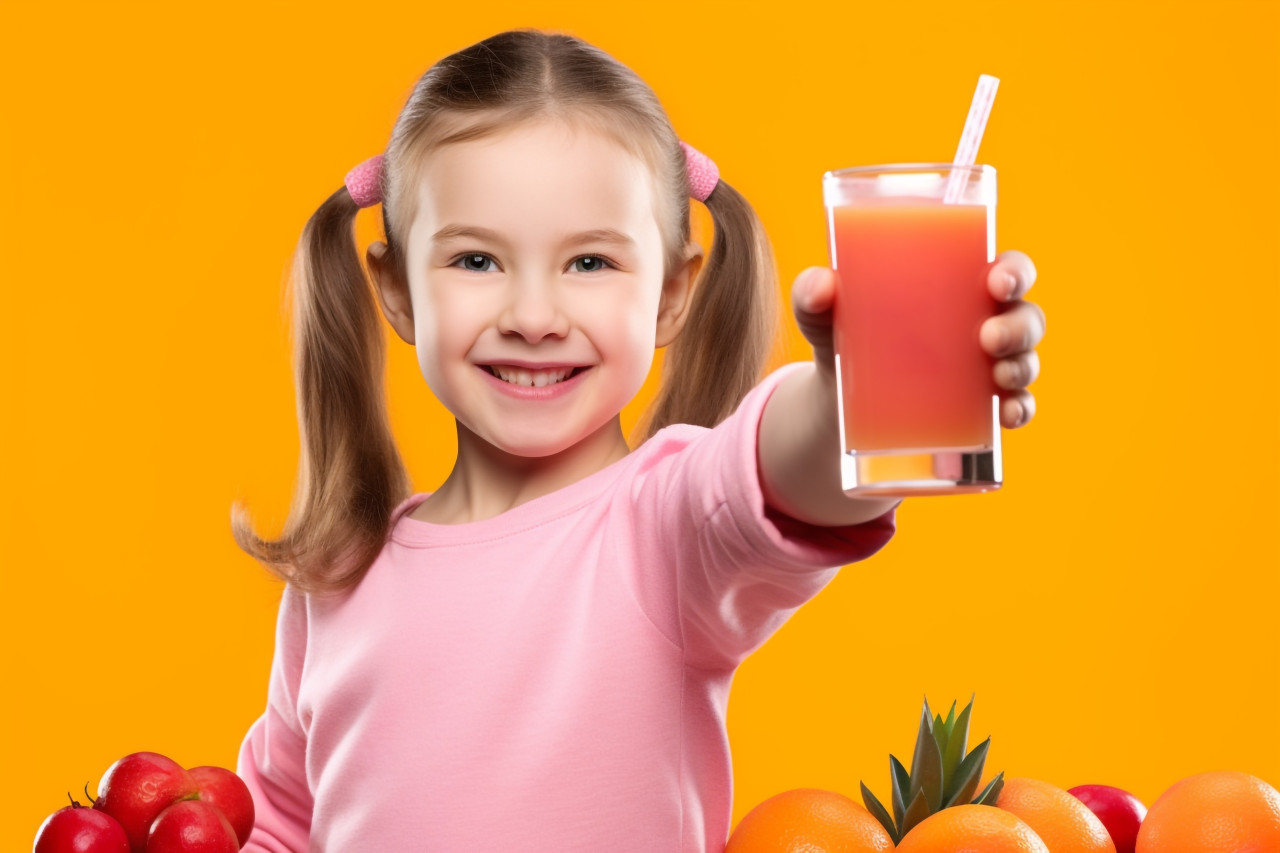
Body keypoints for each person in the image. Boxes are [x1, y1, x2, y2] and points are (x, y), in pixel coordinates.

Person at [230, 28, 1045, 853]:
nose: (534, 317)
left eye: (590, 263)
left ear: (671, 293)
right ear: (398, 290)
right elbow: (281, 826)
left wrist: (853, 391)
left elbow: (777, 467)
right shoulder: (336, 576)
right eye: (477, 260)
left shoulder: (664, 527)